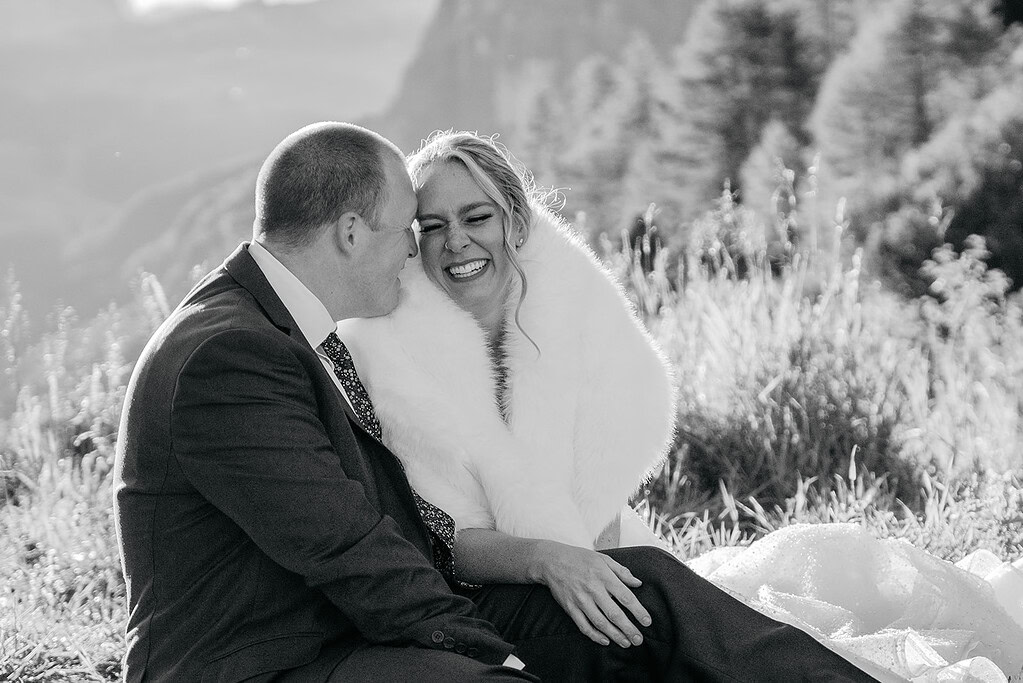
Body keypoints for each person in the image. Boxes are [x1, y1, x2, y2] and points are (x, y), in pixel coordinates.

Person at [340, 131, 1023, 683]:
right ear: (410, 240)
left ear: (513, 221)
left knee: (656, 601)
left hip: (588, 553)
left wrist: (591, 564)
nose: (455, 239)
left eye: (475, 216)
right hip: (481, 582)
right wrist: (554, 560)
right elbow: (434, 533)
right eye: (432, 226)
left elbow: (598, 478)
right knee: (657, 599)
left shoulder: (552, 314)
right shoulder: (391, 355)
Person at [113, 122, 527, 682]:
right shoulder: (229, 356)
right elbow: (346, 546)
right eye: (406, 227)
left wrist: (538, 564)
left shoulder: (291, 329)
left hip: (347, 634)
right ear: (351, 233)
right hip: (267, 664)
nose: (413, 249)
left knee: (644, 603)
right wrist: (492, 652)